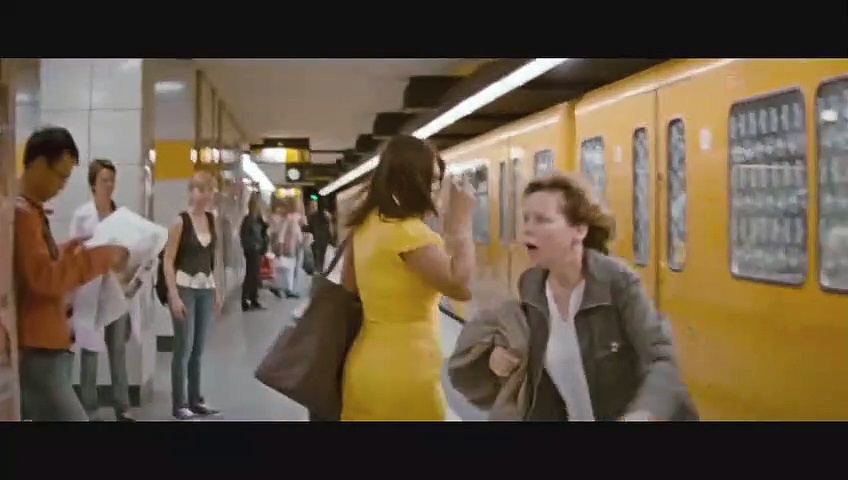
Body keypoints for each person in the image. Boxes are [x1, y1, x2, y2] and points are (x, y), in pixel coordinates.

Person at [457, 174, 697, 421]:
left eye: (542, 220)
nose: (527, 228)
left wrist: (642, 414)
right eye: (526, 218)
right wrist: (496, 357)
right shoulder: (531, 287)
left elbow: (662, 359)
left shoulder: (617, 282)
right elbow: (530, 362)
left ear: (579, 230)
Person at [338, 134, 476, 421]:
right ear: (414, 181)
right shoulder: (410, 235)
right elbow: (461, 287)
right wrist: (461, 226)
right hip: (406, 372)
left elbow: (348, 289)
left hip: (364, 365)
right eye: (433, 180)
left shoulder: (365, 226)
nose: (437, 189)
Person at [14, 127, 128, 422]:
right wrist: (97, 258)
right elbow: (44, 278)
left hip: (48, 340)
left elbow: (39, 262)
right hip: (39, 345)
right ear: (39, 164)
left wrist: (65, 249)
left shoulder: (32, 211)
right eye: (60, 176)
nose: (62, 186)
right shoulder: (22, 215)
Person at [68, 158, 134, 421]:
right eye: (104, 180)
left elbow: (128, 253)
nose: (109, 185)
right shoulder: (82, 216)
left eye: (112, 180)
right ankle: (90, 409)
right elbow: (74, 252)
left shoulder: (120, 216)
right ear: (93, 184)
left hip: (115, 290)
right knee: (90, 351)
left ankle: (123, 406)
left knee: (118, 350)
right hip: (90, 290)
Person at [162, 171, 222, 420]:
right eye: (199, 189)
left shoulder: (211, 220)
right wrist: (174, 296)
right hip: (184, 287)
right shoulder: (180, 222)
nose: (204, 195)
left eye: (208, 190)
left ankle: (196, 400)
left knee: (198, 348)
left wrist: (216, 290)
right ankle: (179, 404)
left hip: (205, 288)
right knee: (183, 347)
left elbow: (212, 259)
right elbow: (168, 261)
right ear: (190, 191)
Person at [239, 192, 265, 311]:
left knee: (255, 275)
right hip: (252, 250)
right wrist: (250, 247)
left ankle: (254, 298)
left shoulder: (258, 219)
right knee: (251, 274)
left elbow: (263, 233)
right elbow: (244, 236)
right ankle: (245, 299)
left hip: (258, 249)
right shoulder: (248, 220)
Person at [303, 198, 334, 274]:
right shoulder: (326, 215)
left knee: (318, 257)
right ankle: (322, 271)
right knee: (323, 257)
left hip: (317, 240)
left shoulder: (313, 217)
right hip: (323, 240)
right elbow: (330, 229)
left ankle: (318, 271)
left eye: (314, 206)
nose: (314, 207)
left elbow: (309, 229)